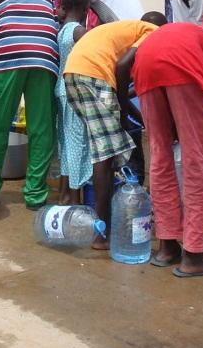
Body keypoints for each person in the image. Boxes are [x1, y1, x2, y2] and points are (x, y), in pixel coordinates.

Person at [132, 22, 203, 277]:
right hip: (179, 68)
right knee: (195, 161)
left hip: (145, 64)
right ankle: (194, 256)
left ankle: (166, 247)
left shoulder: (191, 34)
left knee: (159, 157)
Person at [63, 19, 159, 248]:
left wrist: (130, 113)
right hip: (94, 76)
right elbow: (123, 66)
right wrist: (124, 109)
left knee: (107, 147)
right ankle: (101, 234)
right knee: (104, 155)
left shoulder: (126, 29)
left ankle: (104, 226)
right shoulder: (153, 32)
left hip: (73, 74)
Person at [0, 0, 59, 210]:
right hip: (45, 53)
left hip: (9, 52)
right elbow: (51, 20)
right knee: (42, 127)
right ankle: (35, 194)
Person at [55, 0, 93, 205]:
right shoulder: (79, 31)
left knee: (66, 144)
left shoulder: (62, 29)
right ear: (85, 7)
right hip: (74, 93)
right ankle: (75, 199)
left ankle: (64, 196)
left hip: (62, 91)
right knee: (78, 144)